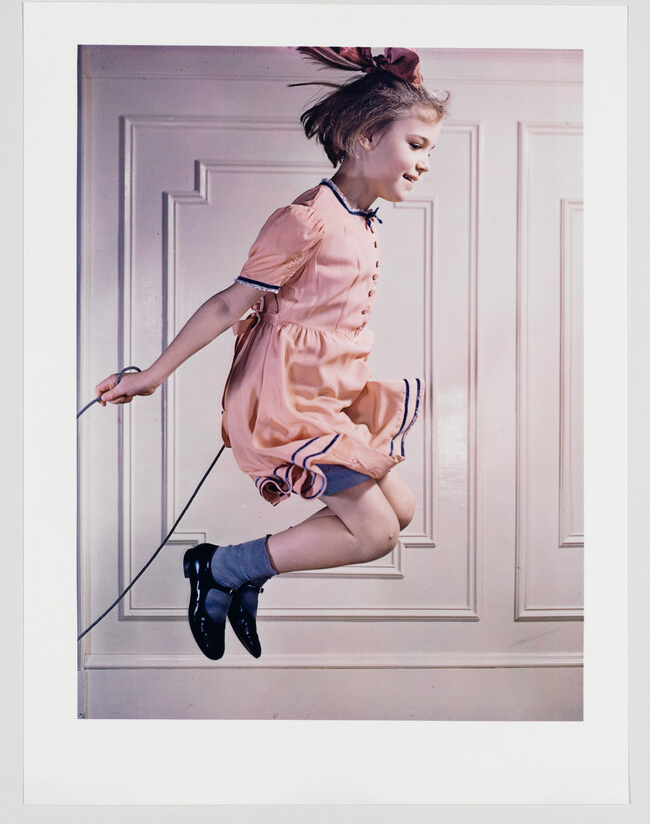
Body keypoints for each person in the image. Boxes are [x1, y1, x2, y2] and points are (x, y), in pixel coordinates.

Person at [95, 47, 449, 660]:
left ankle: (238, 572)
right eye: (417, 146)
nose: (424, 164)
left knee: (402, 509)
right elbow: (228, 305)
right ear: (366, 137)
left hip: (328, 391)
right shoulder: (307, 219)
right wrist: (151, 375)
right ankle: (223, 569)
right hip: (284, 398)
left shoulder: (361, 219)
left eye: (430, 152)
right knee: (373, 534)